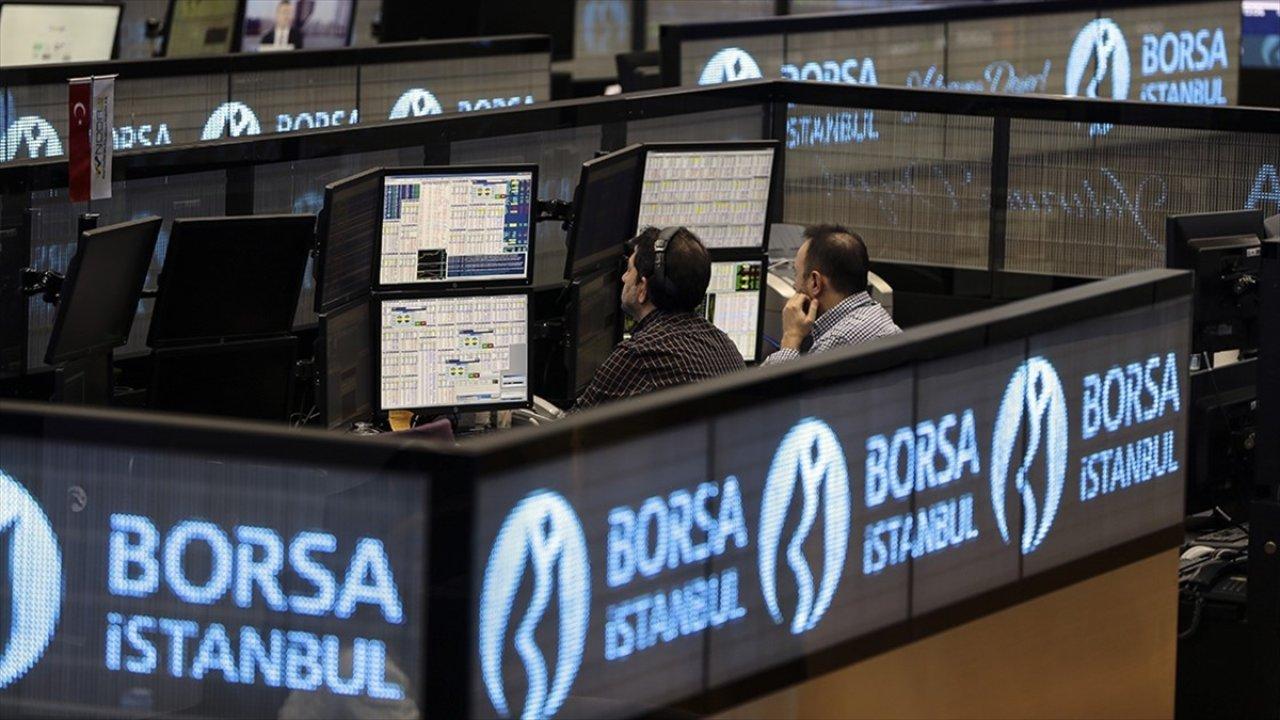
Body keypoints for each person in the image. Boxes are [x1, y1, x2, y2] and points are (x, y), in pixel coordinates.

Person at [574, 226, 744, 410]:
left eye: (629, 270)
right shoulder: (725, 345)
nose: (623, 278)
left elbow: (574, 424)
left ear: (642, 288)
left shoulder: (638, 355)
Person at [763, 224, 900, 366]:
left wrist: (791, 337)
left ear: (815, 283)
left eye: (796, 273)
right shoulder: (879, 318)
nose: (794, 285)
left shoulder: (835, 343)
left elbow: (774, 381)